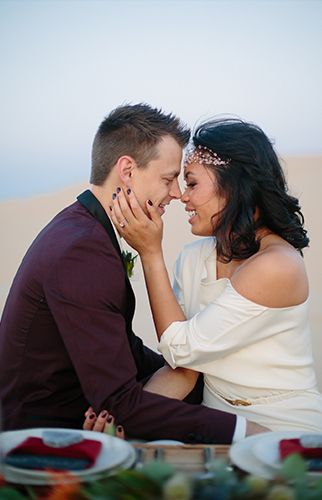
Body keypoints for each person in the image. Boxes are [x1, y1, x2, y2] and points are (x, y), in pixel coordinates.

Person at [0, 104, 266, 443]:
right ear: (127, 170)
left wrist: (195, 381)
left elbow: (122, 348)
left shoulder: (84, 228)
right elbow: (119, 406)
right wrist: (244, 431)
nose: (175, 193)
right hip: (45, 442)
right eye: (168, 178)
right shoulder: (81, 252)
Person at [109, 117, 322, 433]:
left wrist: (151, 254)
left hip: (287, 431)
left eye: (193, 183)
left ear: (233, 185)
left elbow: (180, 347)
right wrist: (120, 424)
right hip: (220, 430)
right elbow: (183, 369)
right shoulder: (193, 258)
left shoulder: (278, 265)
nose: (183, 196)